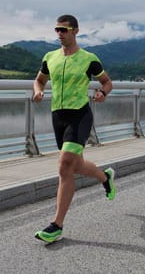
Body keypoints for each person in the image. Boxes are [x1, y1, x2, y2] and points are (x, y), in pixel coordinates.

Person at [33, 14, 115, 243]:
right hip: (57, 116)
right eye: (57, 30)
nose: (60, 33)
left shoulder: (88, 59)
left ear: (76, 31)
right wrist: (38, 90)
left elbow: (107, 81)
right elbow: (39, 80)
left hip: (79, 114)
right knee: (75, 164)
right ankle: (105, 177)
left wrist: (102, 92)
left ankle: (56, 225)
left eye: (64, 30)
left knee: (64, 165)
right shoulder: (49, 57)